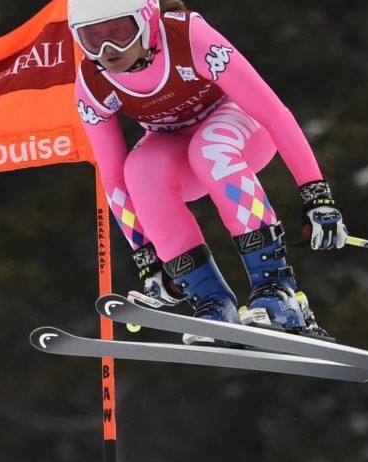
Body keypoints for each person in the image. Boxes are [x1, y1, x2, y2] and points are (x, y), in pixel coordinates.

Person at [68, 0, 348, 343]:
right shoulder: (92, 85)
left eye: (120, 34)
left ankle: (277, 290)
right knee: (140, 170)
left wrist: (316, 194)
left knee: (210, 148)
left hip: (240, 125)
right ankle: (212, 303)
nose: (110, 50)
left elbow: (275, 114)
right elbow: (112, 178)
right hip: (174, 144)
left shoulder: (188, 37)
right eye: (93, 39)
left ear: (145, 21)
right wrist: (147, 256)